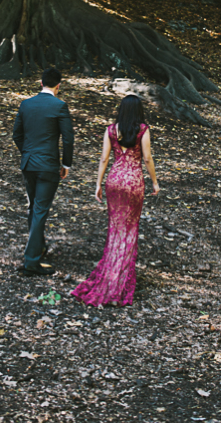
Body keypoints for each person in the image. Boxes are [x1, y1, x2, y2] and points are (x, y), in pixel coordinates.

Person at [71, 94, 159, 307]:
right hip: (133, 181)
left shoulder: (111, 130)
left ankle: (111, 274)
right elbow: (147, 158)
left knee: (115, 230)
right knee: (129, 231)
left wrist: (98, 184)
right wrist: (155, 182)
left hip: (114, 180)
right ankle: (118, 283)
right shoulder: (143, 130)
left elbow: (104, 158)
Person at [12, 67, 74, 276]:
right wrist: (66, 165)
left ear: (40, 83)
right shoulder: (60, 106)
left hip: (28, 163)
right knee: (39, 209)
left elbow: (16, 134)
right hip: (48, 166)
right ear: (59, 85)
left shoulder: (26, 104)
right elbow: (67, 138)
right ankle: (31, 261)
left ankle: (38, 247)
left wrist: (27, 153)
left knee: (33, 207)